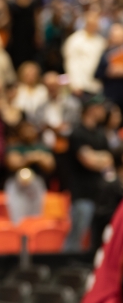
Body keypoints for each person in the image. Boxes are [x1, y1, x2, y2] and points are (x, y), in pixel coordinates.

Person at [64, 95, 113, 251]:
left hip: (100, 195)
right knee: (77, 235)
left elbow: (110, 159)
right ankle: (67, 269)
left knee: (95, 238)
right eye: (101, 108)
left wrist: (96, 156)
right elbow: (88, 161)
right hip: (82, 193)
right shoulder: (77, 133)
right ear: (92, 110)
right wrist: (100, 158)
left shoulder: (101, 134)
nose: (105, 111)